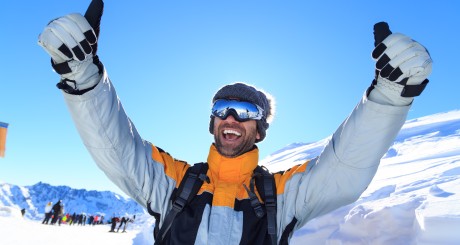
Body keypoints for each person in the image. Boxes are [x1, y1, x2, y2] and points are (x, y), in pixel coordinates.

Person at [38, 1, 432, 244]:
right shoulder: (175, 184)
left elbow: (345, 166)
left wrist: (387, 97)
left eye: (245, 112)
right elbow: (116, 147)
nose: (231, 117)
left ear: (259, 129)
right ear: (211, 123)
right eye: (222, 108)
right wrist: (84, 77)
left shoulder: (280, 194)